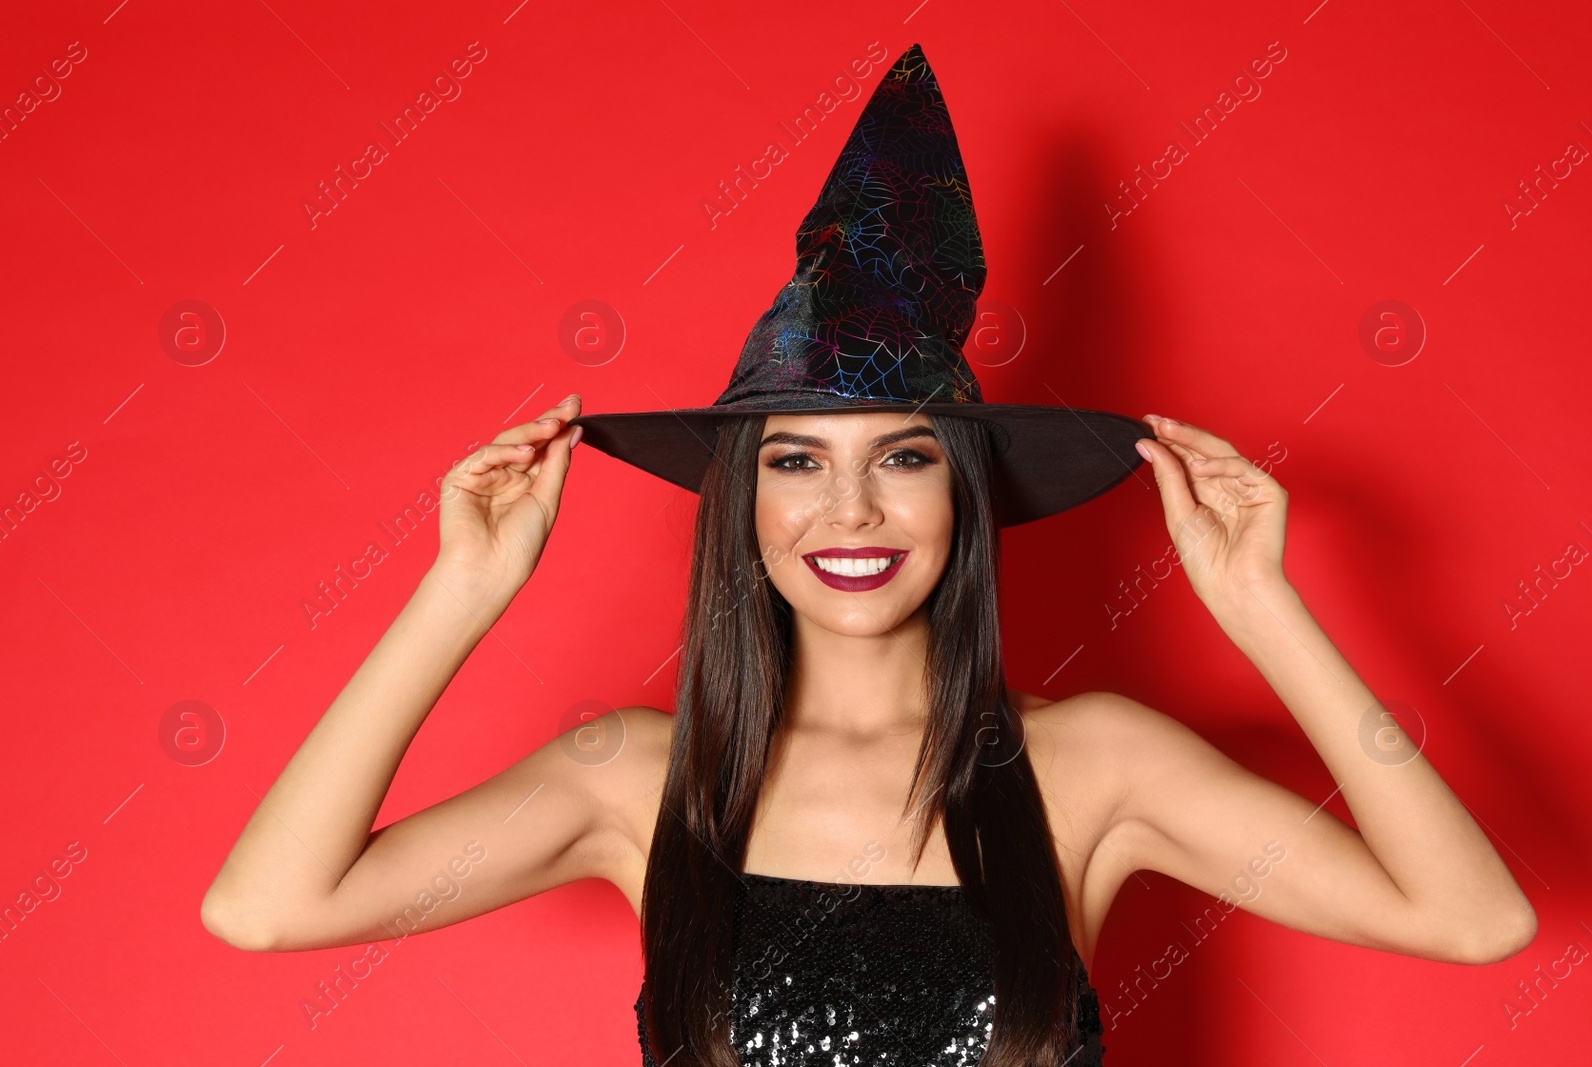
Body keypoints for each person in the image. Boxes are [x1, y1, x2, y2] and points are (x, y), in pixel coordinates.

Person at [201, 43, 1536, 1067]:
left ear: (960, 499)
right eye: (796, 463)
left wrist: (1263, 608)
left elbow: (1475, 922)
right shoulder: (637, 781)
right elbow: (269, 908)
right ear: (747, 508)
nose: (851, 512)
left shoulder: (1096, 765)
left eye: (900, 460)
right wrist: (462, 594)